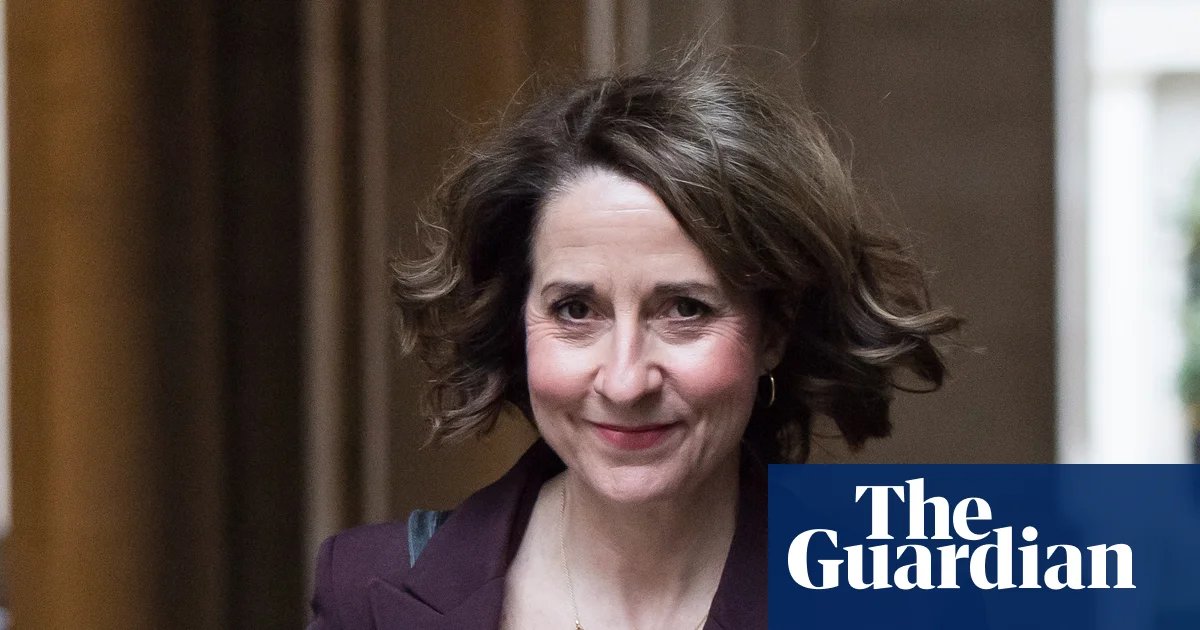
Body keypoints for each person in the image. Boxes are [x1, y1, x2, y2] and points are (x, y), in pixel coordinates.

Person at [307, 55, 959, 630]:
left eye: (685, 309)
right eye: (575, 310)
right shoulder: (366, 591)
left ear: (774, 332)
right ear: (517, 322)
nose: (625, 381)